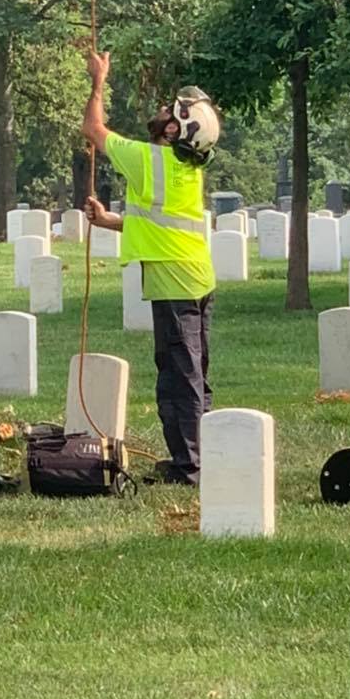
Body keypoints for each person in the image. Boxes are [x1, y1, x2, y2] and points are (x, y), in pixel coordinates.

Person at [80, 50, 220, 485]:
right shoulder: (185, 166)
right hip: (194, 277)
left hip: (175, 285)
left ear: (174, 128)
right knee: (194, 375)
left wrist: (98, 81)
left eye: (169, 110)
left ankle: (190, 468)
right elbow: (159, 222)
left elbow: (93, 129)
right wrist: (110, 222)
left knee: (180, 380)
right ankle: (203, 456)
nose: (161, 110)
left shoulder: (149, 160)